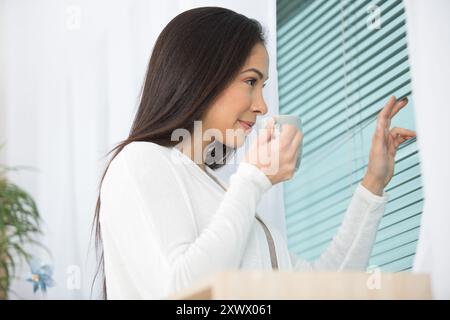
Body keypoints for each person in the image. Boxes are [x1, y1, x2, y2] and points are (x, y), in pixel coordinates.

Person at [92, 7, 416, 299]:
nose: (262, 106)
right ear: (202, 73)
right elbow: (183, 293)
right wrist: (252, 180)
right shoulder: (140, 162)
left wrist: (374, 183)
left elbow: (325, 288)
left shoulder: (221, 193)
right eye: (251, 81)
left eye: (263, 86)